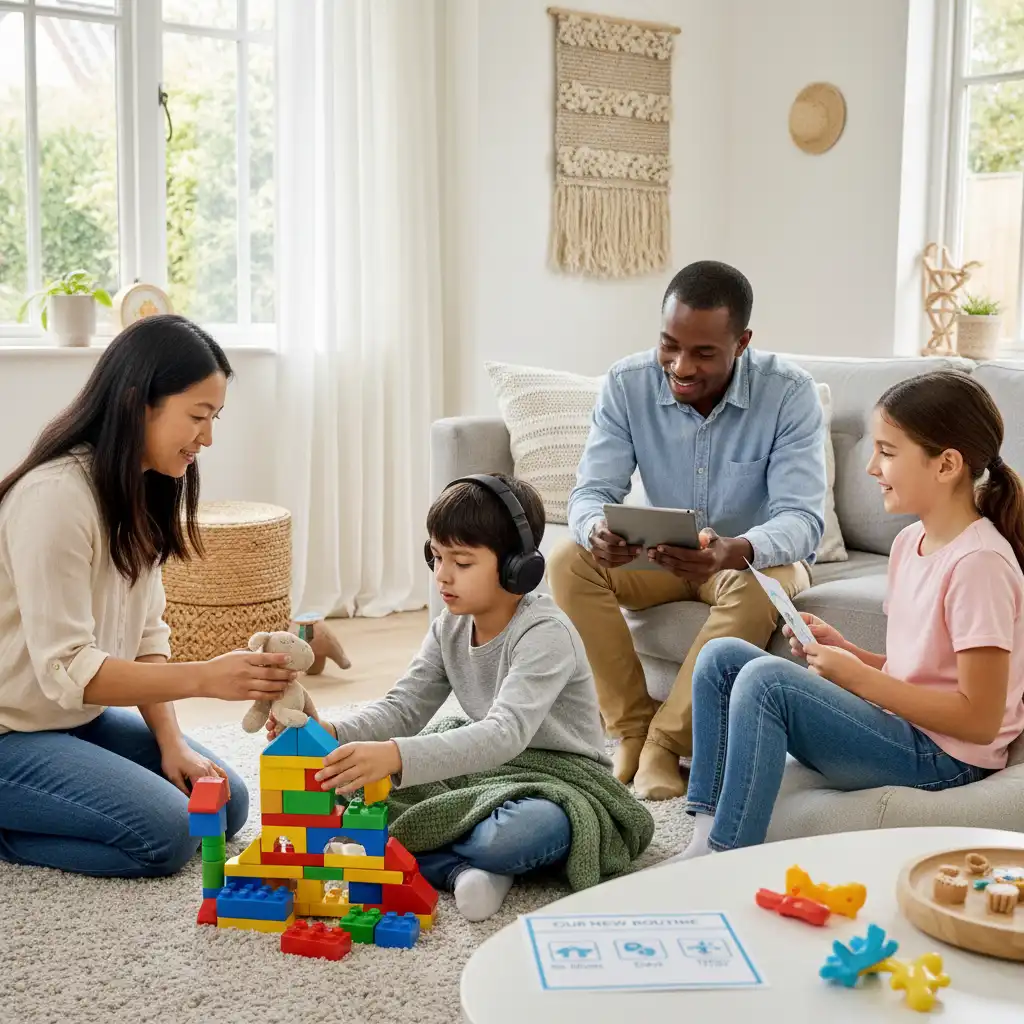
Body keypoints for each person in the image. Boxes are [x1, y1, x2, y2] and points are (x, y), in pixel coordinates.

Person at [266, 474, 653, 921]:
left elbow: (505, 733)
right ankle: (468, 871)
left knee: (517, 834)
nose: (442, 576)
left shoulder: (546, 633)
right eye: (436, 557)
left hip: (561, 777)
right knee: (348, 793)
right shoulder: (448, 627)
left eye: (462, 563)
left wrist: (395, 757)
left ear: (517, 566)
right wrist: (330, 733)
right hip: (483, 768)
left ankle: (459, 862)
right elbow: (403, 709)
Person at [673, 369, 1024, 860]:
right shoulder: (910, 542)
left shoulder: (979, 565)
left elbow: (981, 719)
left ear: (946, 465)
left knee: (767, 682)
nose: (870, 467)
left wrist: (857, 679)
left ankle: (730, 857)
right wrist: (848, 652)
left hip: (946, 760)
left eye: (887, 452)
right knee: (722, 658)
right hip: (905, 729)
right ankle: (704, 839)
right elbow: (921, 673)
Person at [0, 315, 298, 878]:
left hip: (69, 720)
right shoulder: (55, 498)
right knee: (166, 835)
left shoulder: (142, 491)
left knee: (224, 804)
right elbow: (69, 669)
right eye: (197, 416)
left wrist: (171, 741)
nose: (207, 438)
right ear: (140, 404)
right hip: (10, 731)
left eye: (214, 418)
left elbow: (145, 638)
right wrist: (206, 676)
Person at [548, 260, 827, 800]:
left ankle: (663, 744)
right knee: (567, 559)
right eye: (669, 345)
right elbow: (590, 493)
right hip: (662, 556)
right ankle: (628, 728)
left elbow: (803, 520)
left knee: (755, 584)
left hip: (749, 559)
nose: (680, 365)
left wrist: (738, 548)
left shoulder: (789, 393)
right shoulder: (626, 384)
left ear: (741, 342)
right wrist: (594, 528)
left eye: (703, 353)